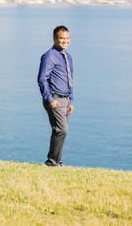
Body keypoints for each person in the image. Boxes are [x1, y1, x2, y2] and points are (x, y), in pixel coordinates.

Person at [38, 25, 74, 167]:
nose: (65, 41)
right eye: (61, 38)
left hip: (65, 99)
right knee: (62, 130)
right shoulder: (49, 56)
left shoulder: (67, 56)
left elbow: (70, 80)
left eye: (67, 38)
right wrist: (50, 100)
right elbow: (42, 79)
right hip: (55, 99)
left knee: (59, 131)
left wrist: (71, 100)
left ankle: (56, 161)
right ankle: (52, 162)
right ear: (54, 39)